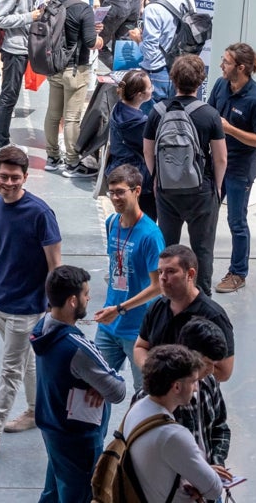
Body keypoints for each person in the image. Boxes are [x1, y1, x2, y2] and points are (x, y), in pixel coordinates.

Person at [0, 146, 62, 458]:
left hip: (26, 308)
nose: (8, 183)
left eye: (15, 178)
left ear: (26, 177)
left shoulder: (41, 214)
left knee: (10, 368)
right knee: (25, 360)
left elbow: (55, 265)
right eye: (3, 176)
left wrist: (54, 305)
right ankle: (37, 411)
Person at [30, 266, 127, 501]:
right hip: (78, 440)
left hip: (53, 428)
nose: (89, 298)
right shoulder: (77, 348)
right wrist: (104, 383)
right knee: (80, 495)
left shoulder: (42, 328)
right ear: (73, 301)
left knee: (53, 491)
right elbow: (118, 391)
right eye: (85, 294)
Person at [142, 55, 227, 295]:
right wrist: (217, 187)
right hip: (202, 190)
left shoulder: (157, 112)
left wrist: (157, 177)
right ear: (201, 81)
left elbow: (148, 150)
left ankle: (169, 296)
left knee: (168, 248)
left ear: (173, 79)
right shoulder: (209, 114)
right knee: (202, 249)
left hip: (167, 191)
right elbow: (220, 157)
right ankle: (201, 298)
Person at [119, 345, 224, 503]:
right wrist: (203, 477)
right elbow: (214, 489)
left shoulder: (136, 409)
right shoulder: (173, 435)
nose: (196, 388)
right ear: (176, 386)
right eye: (194, 381)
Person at [93, 164, 164, 389]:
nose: (115, 198)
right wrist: (114, 309)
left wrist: (121, 308)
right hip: (109, 324)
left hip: (138, 331)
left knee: (144, 393)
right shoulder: (112, 223)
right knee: (93, 389)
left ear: (136, 191)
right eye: (111, 192)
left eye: (120, 192)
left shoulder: (151, 235)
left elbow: (157, 287)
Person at [208, 44, 256, 294]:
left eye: (226, 62)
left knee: (236, 222)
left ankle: (238, 273)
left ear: (241, 68)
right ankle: (202, 267)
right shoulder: (220, 85)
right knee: (207, 217)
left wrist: (230, 129)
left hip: (239, 169)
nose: (221, 65)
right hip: (215, 165)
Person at [134, 245, 236, 383]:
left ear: (190, 274)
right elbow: (140, 347)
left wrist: (179, 377)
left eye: (171, 271)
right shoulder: (157, 307)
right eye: (160, 272)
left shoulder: (213, 316)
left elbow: (224, 372)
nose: (163, 278)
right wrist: (156, 371)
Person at [0, 0, 50, 154]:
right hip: (14, 48)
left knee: (10, 95)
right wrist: (29, 17)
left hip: (19, 46)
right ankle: (0, 142)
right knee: (9, 95)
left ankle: (2, 140)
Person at [44, 0, 101, 177]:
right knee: (71, 118)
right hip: (76, 70)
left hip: (54, 66)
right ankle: (72, 162)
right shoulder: (83, 9)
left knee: (52, 114)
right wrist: (99, 39)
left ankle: (52, 156)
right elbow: (89, 41)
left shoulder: (53, 2)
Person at [128, 0, 184, 102]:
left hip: (156, 72)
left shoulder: (152, 9)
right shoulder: (179, 0)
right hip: (176, 68)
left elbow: (150, 51)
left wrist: (138, 40)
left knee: (151, 120)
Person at [108, 70, 156, 218]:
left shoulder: (118, 109)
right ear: (139, 95)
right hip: (138, 176)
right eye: (149, 88)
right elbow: (150, 149)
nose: (152, 89)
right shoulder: (139, 123)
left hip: (118, 168)